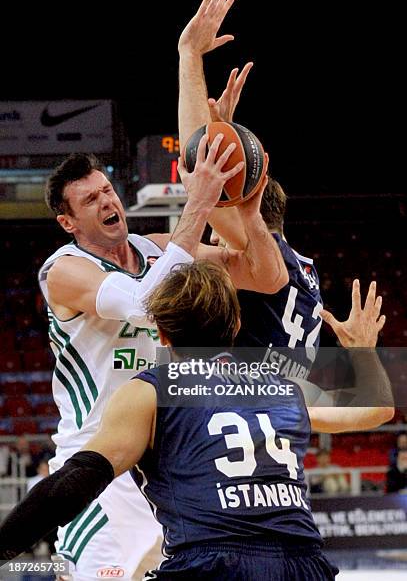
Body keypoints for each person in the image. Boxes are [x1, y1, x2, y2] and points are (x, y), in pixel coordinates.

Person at [0, 260, 393, 579]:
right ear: (236, 326)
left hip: (212, 562)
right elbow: (376, 410)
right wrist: (362, 352)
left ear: (162, 336)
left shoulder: (151, 391)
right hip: (304, 563)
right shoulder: (281, 385)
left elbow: (75, 482)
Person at [37, 138, 288, 579]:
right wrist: (201, 200)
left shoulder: (157, 248)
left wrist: (246, 206)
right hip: (101, 468)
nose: (106, 201)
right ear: (67, 221)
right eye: (90, 199)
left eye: (107, 190)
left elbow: (267, 278)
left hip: (171, 466)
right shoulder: (62, 271)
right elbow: (143, 304)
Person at [177, 0, 323, 378]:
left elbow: (199, 162)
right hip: (282, 415)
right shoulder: (303, 270)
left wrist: (189, 55)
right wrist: (220, 127)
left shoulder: (257, 248)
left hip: (248, 421)